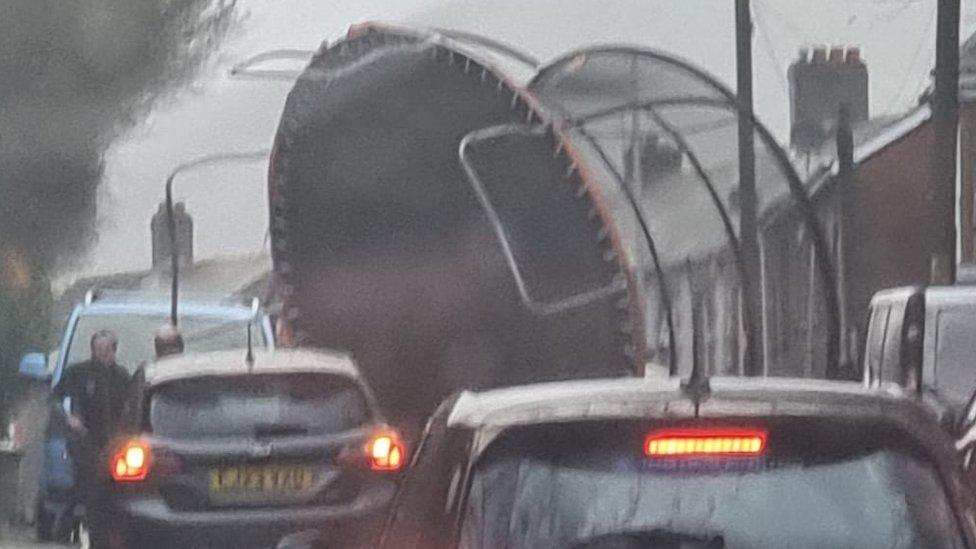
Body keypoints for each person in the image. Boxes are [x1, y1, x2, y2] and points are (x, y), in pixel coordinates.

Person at [51, 330, 130, 543]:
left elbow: (130, 408)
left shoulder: (123, 377)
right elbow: (55, 398)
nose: (101, 354)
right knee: (84, 484)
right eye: (97, 350)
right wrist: (69, 419)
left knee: (110, 489)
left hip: (113, 443)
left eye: (106, 350)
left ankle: (104, 531)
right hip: (84, 440)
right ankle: (67, 529)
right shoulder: (79, 372)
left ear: (114, 351)